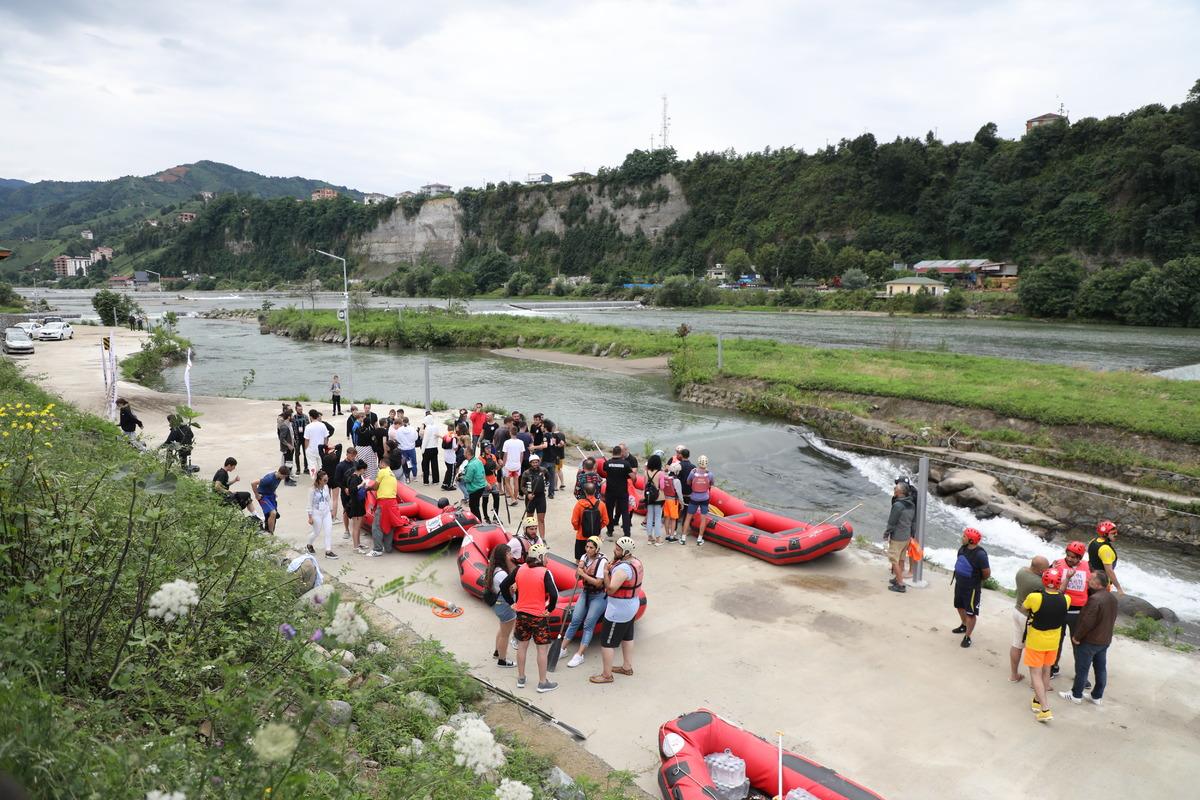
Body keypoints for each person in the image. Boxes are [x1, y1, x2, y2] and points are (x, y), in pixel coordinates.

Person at [500, 541, 559, 693]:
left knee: (522, 646)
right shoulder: (545, 572)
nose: (548, 559)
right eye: (546, 556)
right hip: (538, 616)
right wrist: (550, 609)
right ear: (539, 557)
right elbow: (554, 594)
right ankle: (542, 682)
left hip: (521, 615)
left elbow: (503, 586)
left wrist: (511, 603)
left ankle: (521, 678)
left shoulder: (519, 569)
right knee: (541, 650)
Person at [590, 536, 642, 684]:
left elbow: (611, 589)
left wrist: (606, 573)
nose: (615, 550)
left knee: (607, 642)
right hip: (632, 605)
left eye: (618, 549)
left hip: (618, 610)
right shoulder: (635, 562)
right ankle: (627, 667)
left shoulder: (623, 568)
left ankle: (607, 675)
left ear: (626, 552)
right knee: (627, 636)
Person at [1061, 571, 1117, 706]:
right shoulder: (1112, 598)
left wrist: (1077, 637)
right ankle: (1096, 696)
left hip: (1091, 641)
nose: (1087, 580)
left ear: (1097, 584)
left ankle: (1076, 695)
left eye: (1091, 579)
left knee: (1082, 668)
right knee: (1101, 668)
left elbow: (1087, 622)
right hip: (1104, 640)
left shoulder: (1095, 599)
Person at [1023, 566, 1070, 723]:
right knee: (1046, 670)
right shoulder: (1066, 599)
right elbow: (1060, 594)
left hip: (1036, 641)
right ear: (1058, 583)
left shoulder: (1034, 597)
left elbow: (1024, 608)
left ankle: (1045, 709)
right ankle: (1037, 700)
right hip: (1053, 642)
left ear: (1044, 580)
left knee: (1035, 674)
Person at [564, 536, 609, 669]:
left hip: (599, 595)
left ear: (597, 549)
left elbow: (598, 582)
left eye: (591, 548)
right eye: (587, 547)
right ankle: (563, 648)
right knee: (575, 619)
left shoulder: (602, 562)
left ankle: (580, 654)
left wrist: (582, 574)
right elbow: (576, 577)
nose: (588, 550)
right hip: (586, 592)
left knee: (588, 623)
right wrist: (580, 568)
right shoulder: (584, 557)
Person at [1051, 541, 1092, 677]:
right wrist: (1050, 567)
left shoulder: (1087, 566)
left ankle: (1080, 675)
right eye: (1068, 555)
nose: (1069, 559)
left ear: (1080, 558)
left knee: (1078, 644)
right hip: (1059, 611)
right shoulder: (1057, 564)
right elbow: (1047, 581)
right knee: (1057, 642)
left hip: (1078, 613)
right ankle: (1053, 667)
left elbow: (1093, 585)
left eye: (1073, 557)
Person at [1009, 555, 1049, 683]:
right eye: (1045, 569)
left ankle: (1014, 675)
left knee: (1016, 645)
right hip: (1028, 618)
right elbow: (1053, 592)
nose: (1046, 572)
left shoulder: (1021, 571)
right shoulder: (1039, 583)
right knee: (1033, 651)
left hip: (1017, 611)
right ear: (1040, 570)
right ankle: (1035, 682)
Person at [951, 527, 990, 648]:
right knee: (959, 606)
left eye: (964, 536)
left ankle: (968, 636)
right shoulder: (962, 549)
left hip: (971, 589)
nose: (962, 538)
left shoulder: (980, 555)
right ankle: (964, 625)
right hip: (960, 585)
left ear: (971, 540)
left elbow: (986, 573)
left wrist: (976, 581)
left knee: (971, 613)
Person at [484, 543, 518, 668]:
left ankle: (497, 652)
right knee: (505, 634)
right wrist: (516, 586)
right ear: (504, 556)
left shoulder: (495, 569)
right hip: (504, 605)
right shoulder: (502, 574)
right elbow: (509, 590)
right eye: (509, 553)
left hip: (498, 604)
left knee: (502, 629)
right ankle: (502, 660)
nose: (511, 555)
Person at [884, 481, 916, 592]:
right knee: (901, 558)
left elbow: (892, 522)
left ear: (900, 492)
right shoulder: (911, 503)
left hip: (897, 537)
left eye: (895, 489)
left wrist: (886, 534)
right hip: (906, 536)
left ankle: (901, 585)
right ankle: (898, 578)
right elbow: (913, 521)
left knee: (893, 559)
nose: (894, 489)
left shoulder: (898, 505)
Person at [367, 454, 400, 558]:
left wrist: (368, 488)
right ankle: (388, 547)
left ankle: (377, 549)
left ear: (382, 463)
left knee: (376, 526)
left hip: (384, 502)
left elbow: (376, 486)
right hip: (393, 502)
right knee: (389, 525)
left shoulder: (382, 471)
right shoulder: (392, 474)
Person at [571, 481, 609, 558]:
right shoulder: (601, 505)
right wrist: (597, 526)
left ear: (584, 491)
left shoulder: (579, 504)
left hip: (581, 536)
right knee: (593, 559)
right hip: (595, 538)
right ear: (595, 491)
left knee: (579, 560)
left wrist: (578, 528)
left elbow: (574, 521)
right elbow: (606, 521)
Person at [306, 469, 338, 559]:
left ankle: (328, 550)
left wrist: (331, 511)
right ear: (319, 480)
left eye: (327, 479)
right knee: (316, 532)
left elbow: (328, 499)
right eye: (324, 480)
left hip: (326, 511)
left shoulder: (326, 487)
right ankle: (309, 544)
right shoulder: (312, 490)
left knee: (328, 530)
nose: (326, 481)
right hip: (316, 512)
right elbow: (309, 504)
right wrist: (310, 517)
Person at [251, 465, 292, 535]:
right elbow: (253, 483)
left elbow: (273, 486)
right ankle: (270, 533)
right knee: (273, 513)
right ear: (279, 472)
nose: (283, 479)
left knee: (274, 516)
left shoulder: (279, 477)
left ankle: (268, 527)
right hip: (263, 496)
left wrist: (274, 492)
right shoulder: (269, 479)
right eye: (284, 476)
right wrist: (257, 495)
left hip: (271, 495)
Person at [603, 446, 632, 540]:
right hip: (622, 491)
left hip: (610, 491)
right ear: (621, 453)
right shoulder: (626, 464)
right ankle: (627, 533)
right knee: (625, 512)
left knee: (609, 511)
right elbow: (633, 477)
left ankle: (610, 531)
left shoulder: (607, 463)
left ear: (612, 452)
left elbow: (605, 471)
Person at [1088, 520, 1124, 596]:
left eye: (1116, 532)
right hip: (1101, 584)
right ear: (1105, 535)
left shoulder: (1093, 541)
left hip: (1092, 578)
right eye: (1113, 533)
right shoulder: (1105, 549)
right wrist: (1119, 588)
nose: (1116, 535)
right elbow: (1109, 571)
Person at [685, 455, 714, 546]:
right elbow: (711, 484)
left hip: (694, 497)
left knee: (688, 517)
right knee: (703, 518)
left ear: (698, 463)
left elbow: (688, 482)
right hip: (705, 498)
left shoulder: (693, 472)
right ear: (706, 463)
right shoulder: (710, 474)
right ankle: (699, 538)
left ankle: (683, 538)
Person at [520, 453, 550, 539]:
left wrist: (546, 484)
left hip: (541, 497)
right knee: (530, 520)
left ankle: (542, 538)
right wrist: (527, 494)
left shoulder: (543, 470)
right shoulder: (526, 473)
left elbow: (548, 477)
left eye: (536, 462)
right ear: (530, 463)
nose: (535, 464)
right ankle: (528, 537)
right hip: (530, 498)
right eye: (533, 462)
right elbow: (522, 486)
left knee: (541, 519)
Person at [344, 459, 369, 554]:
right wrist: (361, 485)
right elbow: (352, 490)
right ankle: (355, 547)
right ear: (361, 469)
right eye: (364, 470)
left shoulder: (358, 477)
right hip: (355, 505)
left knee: (358, 527)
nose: (365, 472)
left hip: (359, 503)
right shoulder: (354, 478)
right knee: (356, 527)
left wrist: (363, 485)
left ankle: (358, 544)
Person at [334, 446, 358, 536]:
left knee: (356, 510)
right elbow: (336, 480)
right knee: (345, 510)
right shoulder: (340, 466)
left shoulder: (356, 463)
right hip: (345, 491)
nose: (353, 458)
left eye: (354, 456)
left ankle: (356, 529)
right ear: (347, 454)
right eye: (351, 456)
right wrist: (344, 488)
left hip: (354, 490)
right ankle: (346, 530)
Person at [643, 454, 666, 546]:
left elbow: (644, 485)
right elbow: (662, 486)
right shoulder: (660, 473)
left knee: (649, 517)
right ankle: (658, 539)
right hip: (658, 497)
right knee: (657, 518)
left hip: (648, 497)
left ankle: (649, 538)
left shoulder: (646, 472)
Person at [502, 421, 526, 506]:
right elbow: (522, 454)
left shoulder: (507, 442)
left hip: (508, 465)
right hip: (517, 465)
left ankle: (512, 498)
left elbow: (505, 454)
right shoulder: (520, 442)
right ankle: (515, 498)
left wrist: (503, 464)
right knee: (516, 482)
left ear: (510, 433)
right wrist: (520, 463)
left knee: (507, 481)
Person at [461, 446, 488, 521]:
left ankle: (477, 522)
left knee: (474, 508)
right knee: (476, 506)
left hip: (474, 489)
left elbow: (468, 479)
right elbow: (483, 473)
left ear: (468, 453)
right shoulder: (478, 461)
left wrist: (461, 478)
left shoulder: (471, 465)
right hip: (481, 486)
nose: (463, 454)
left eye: (464, 452)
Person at [661, 462, 685, 543]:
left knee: (666, 517)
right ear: (677, 471)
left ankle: (667, 535)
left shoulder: (665, 477)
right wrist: (682, 503)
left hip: (666, 500)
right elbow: (679, 493)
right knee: (673, 519)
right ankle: (672, 536)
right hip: (673, 501)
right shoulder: (676, 480)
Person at [542, 420, 564, 499]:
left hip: (545, 459)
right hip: (553, 459)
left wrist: (535, 447)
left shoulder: (545, 435)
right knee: (552, 477)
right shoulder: (555, 435)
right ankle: (551, 494)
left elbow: (544, 445)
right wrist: (556, 446)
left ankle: (541, 491)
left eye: (543, 426)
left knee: (541, 475)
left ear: (545, 428)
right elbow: (562, 443)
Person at [420, 409, 443, 486]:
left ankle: (426, 481)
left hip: (427, 449)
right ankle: (435, 480)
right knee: (435, 465)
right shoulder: (435, 427)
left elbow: (425, 440)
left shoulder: (428, 428)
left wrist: (422, 449)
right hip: (434, 448)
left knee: (426, 465)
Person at [303, 409, 329, 478]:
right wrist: (325, 447)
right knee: (321, 466)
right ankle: (321, 480)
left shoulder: (308, 427)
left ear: (310, 417)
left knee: (312, 466)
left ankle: (314, 479)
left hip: (311, 449)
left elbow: (306, 440)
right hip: (320, 449)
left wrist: (306, 449)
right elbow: (325, 438)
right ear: (317, 416)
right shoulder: (323, 425)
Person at [394, 416, 419, 483]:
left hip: (403, 448)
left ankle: (407, 477)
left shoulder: (399, 430)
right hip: (411, 448)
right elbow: (416, 438)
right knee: (413, 462)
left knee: (406, 463)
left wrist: (403, 443)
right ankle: (414, 476)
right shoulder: (412, 429)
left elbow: (397, 439)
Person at [291, 402, 308, 474]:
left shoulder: (305, 416)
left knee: (306, 454)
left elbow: (309, 426)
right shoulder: (293, 418)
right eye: (299, 409)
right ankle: (298, 469)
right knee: (297, 454)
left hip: (304, 438)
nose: (301, 410)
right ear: (296, 410)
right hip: (297, 438)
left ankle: (306, 468)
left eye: (301, 409)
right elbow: (292, 428)